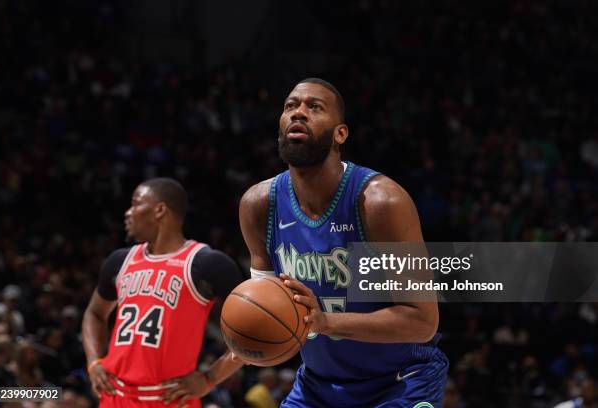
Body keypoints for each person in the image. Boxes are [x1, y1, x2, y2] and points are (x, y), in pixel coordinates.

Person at [239, 78, 449, 407]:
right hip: (317, 385)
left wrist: (325, 322)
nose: (299, 113)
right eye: (291, 106)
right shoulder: (258, 205)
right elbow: (258, 313)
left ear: (340, 134)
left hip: (400, 382)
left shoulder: (380, 202)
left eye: (314, 107)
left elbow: (423, 321)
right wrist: (209, 375)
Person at [82, 178, 245, 407]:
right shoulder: (119, 260)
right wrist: (93, 362)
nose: (128, 213)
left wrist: (210, 377)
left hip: (171, 398)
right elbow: (94, 313)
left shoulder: (207, 263)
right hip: (115, 395)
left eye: (135, 203)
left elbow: (252, 330)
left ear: (159, 210)